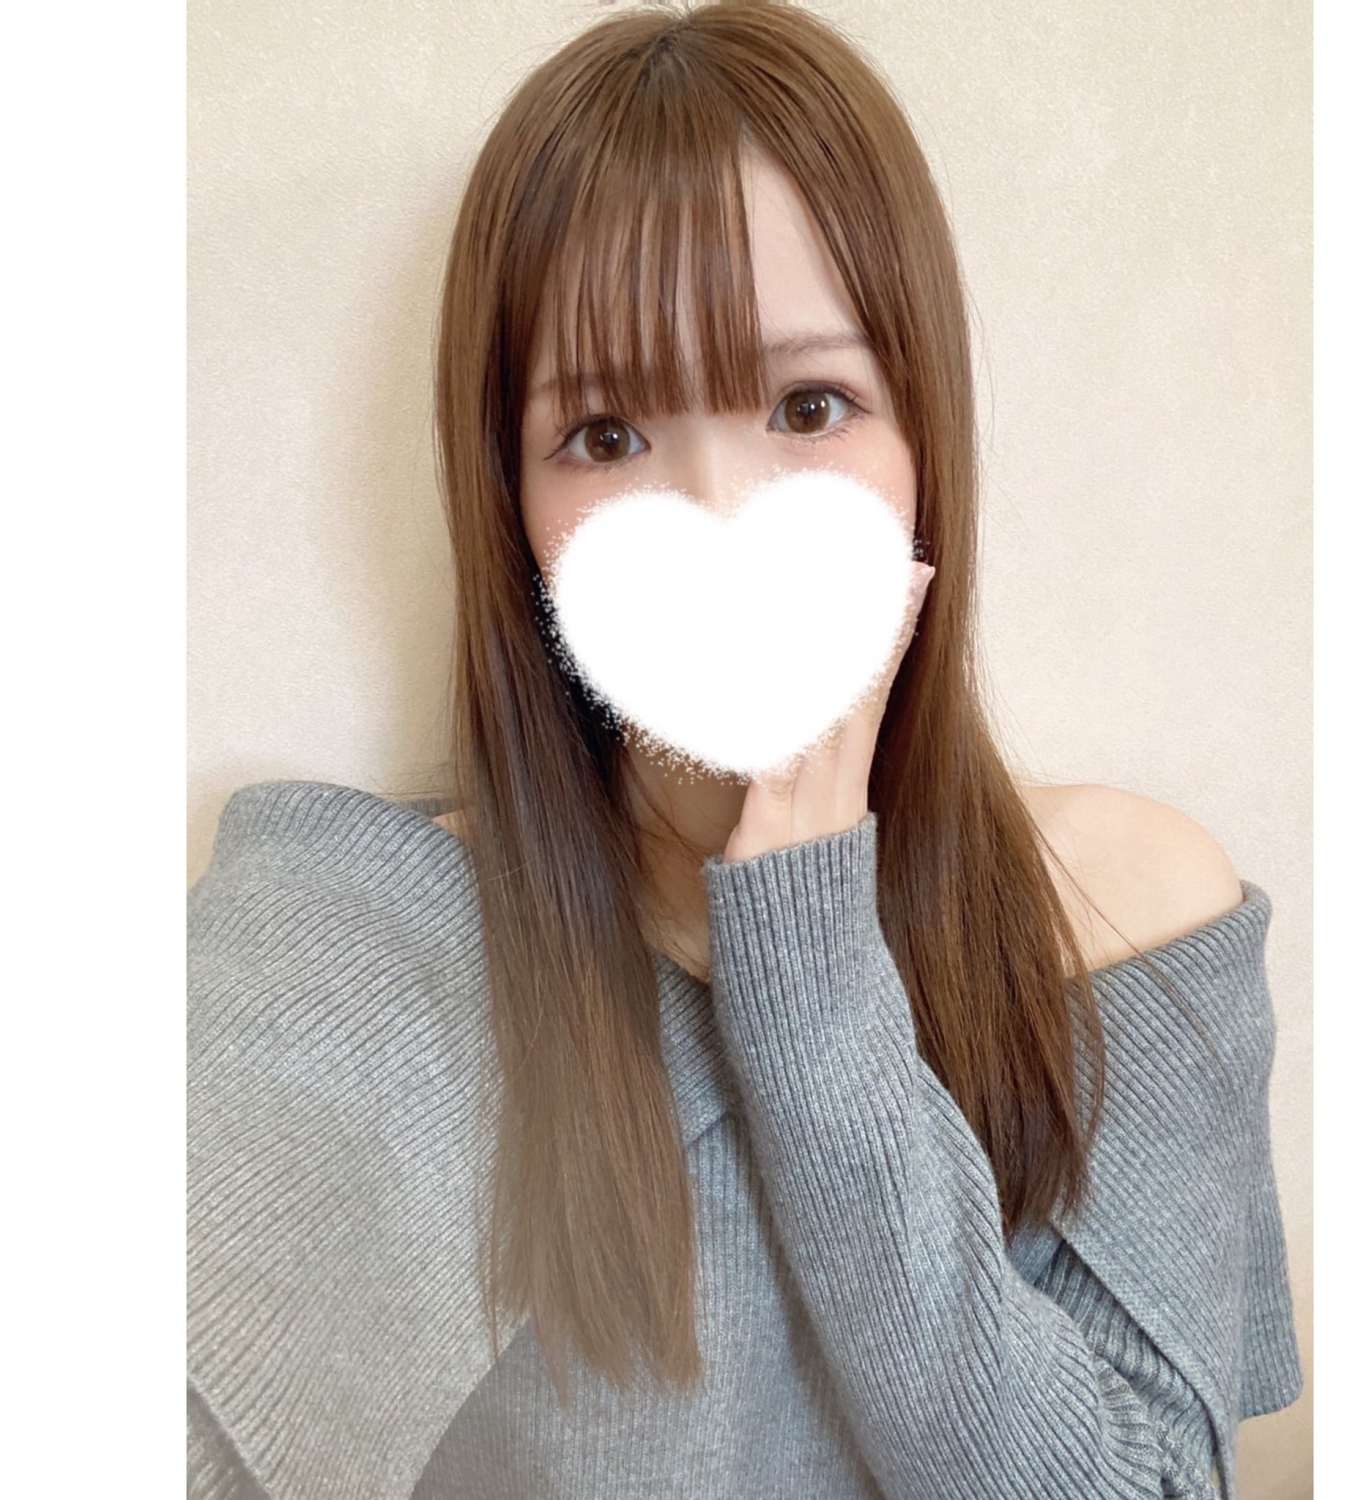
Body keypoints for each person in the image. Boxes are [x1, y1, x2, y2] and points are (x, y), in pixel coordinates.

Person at [187, 4, 1303, 1497]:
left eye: (808, 406)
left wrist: (812, 965)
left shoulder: (1125, 909)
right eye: (604, 436)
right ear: (510, 503)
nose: (719, 511)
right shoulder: (362, 939)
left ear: (926, 446)